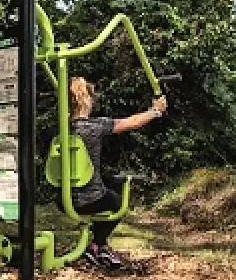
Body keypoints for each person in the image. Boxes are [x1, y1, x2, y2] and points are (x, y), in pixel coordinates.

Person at [63, 77, 166, 269]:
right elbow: (131, 122)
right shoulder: (94, 126)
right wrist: (155, 111)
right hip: (89, 200)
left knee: (110, 182)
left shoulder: (62, 129)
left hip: (64, 199)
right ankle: (98, 244)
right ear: (86, 100)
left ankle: (99, 246)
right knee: (116, 202)